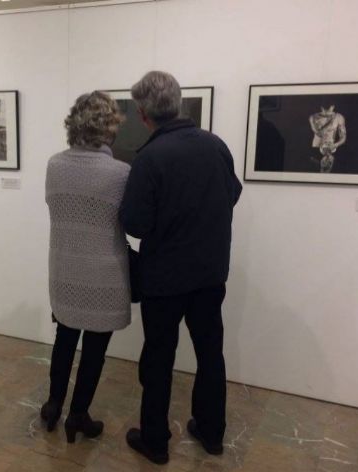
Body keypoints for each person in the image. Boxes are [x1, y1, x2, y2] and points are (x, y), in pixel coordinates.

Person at [120, 71, 242, 465]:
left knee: (158, 357)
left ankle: (155, 441)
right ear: (179, 103)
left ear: (143, 114)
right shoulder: (215, 146)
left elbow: (135, 223)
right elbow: (233, 193)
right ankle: (212, 433)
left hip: (164, 279)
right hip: (209, 273)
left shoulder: (150, 157)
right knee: (211, 354)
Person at [41, 91, 131, 443]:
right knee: (94, 349)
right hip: (103, 274)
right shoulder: (121, 172)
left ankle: (52, 406)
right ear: (109, 129)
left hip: (64, 267)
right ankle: (78, 416)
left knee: (64, 339)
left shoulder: (54, 164)